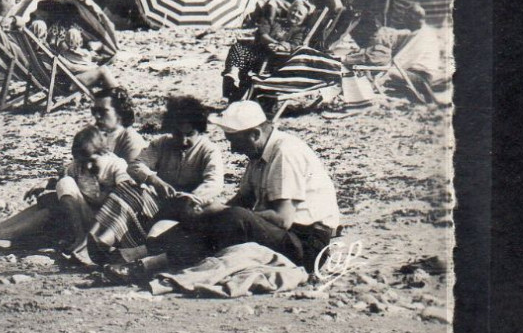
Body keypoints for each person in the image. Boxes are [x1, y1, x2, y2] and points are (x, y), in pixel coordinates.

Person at [132, 100, 342, 276]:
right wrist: (205, 211)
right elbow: (243, 199)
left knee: (233, 218)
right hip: (285, 234)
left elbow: (283, 219)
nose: (232, 149)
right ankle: (144, 253)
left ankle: (154, 262)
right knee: (199, 212)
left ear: (255, 134)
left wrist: (222, 211)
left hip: (307, 244)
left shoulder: (285, 153)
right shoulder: (259, 154)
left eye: (235, 141)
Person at [69, 96, 224, 266]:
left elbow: (214, 183)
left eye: (189, 134)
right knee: (128, 187)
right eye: (178, 134)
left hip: (191, 209)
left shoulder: (209, 150)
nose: (183, 140)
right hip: (161, 206)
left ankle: (98, 245)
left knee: (128, 195)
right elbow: (135, 166)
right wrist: (154, 180)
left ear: (199, 130)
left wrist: (190, 197)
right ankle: (102, 243)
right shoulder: (163, 144)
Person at [0, 127, 128, 252]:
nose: (87, 166)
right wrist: (45, 183)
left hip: (101, 223)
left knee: (61, 192)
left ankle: (5, 235)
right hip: (79, 214)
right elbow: (62, 177)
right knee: (49, 200)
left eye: (92, 161)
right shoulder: (78, 166)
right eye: (82, 162)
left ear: (104, 152)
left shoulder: (116, 166)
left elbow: (127, 192)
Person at [92, 88, 148, 163]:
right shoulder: (96, 137)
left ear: (119, 112)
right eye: (94, 111)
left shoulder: (132, 142)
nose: (97, 116)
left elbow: (134, 172)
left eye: (102, 111)